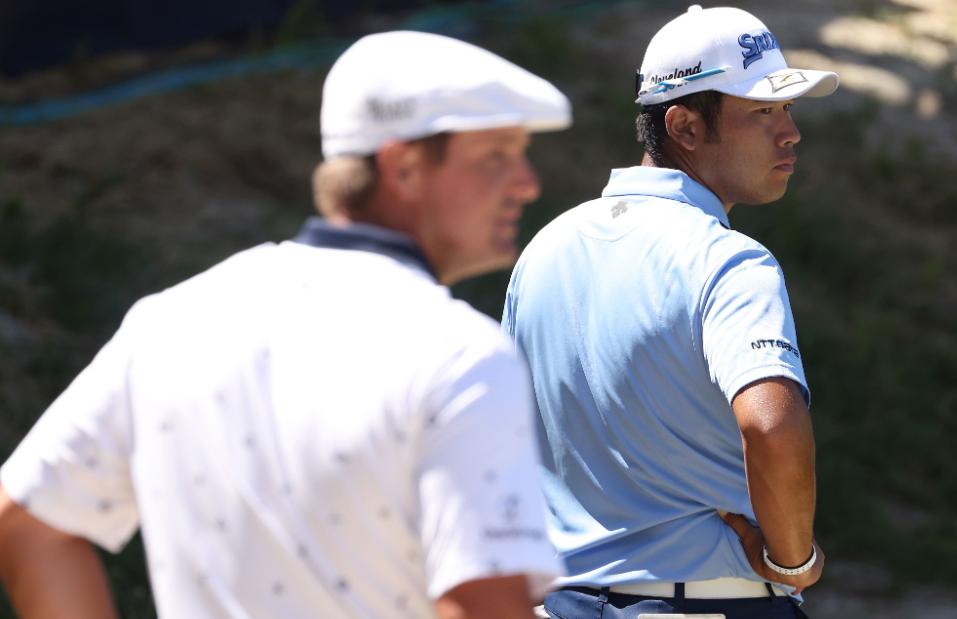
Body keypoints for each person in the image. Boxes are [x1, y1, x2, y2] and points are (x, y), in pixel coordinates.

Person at [0, 31, 572, 619]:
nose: (527, 183)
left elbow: (27, 524)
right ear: (402, 168)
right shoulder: (459, 353)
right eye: (496, 157)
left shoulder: (171, 324)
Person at [502, 5, 839, 618]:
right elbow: (771, 425)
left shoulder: (544, 248)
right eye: (762, 112)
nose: (789, 133)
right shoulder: (731, 261)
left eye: (787, 110)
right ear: (684, 126)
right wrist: (793, 561)